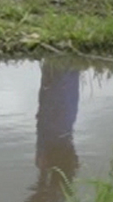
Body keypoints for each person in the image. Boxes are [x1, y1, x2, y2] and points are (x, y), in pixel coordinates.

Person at [27, 58, 81, 202]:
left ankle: (62, 63)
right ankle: (63, 63)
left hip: (55, 132)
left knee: (57, 105)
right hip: (57, 133)